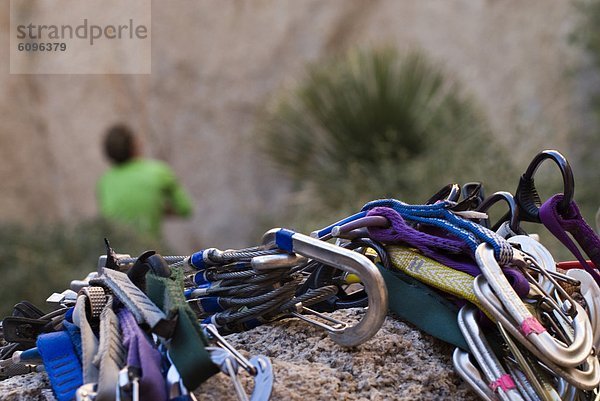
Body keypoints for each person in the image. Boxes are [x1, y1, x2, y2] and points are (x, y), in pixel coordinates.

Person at [97, 124, 193, 238]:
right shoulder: (158, 172)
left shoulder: (104, 183)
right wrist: (156, 207)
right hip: (151, 250)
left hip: (119, 252)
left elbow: (109, 218)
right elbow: (185, 209)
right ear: (134, 146)